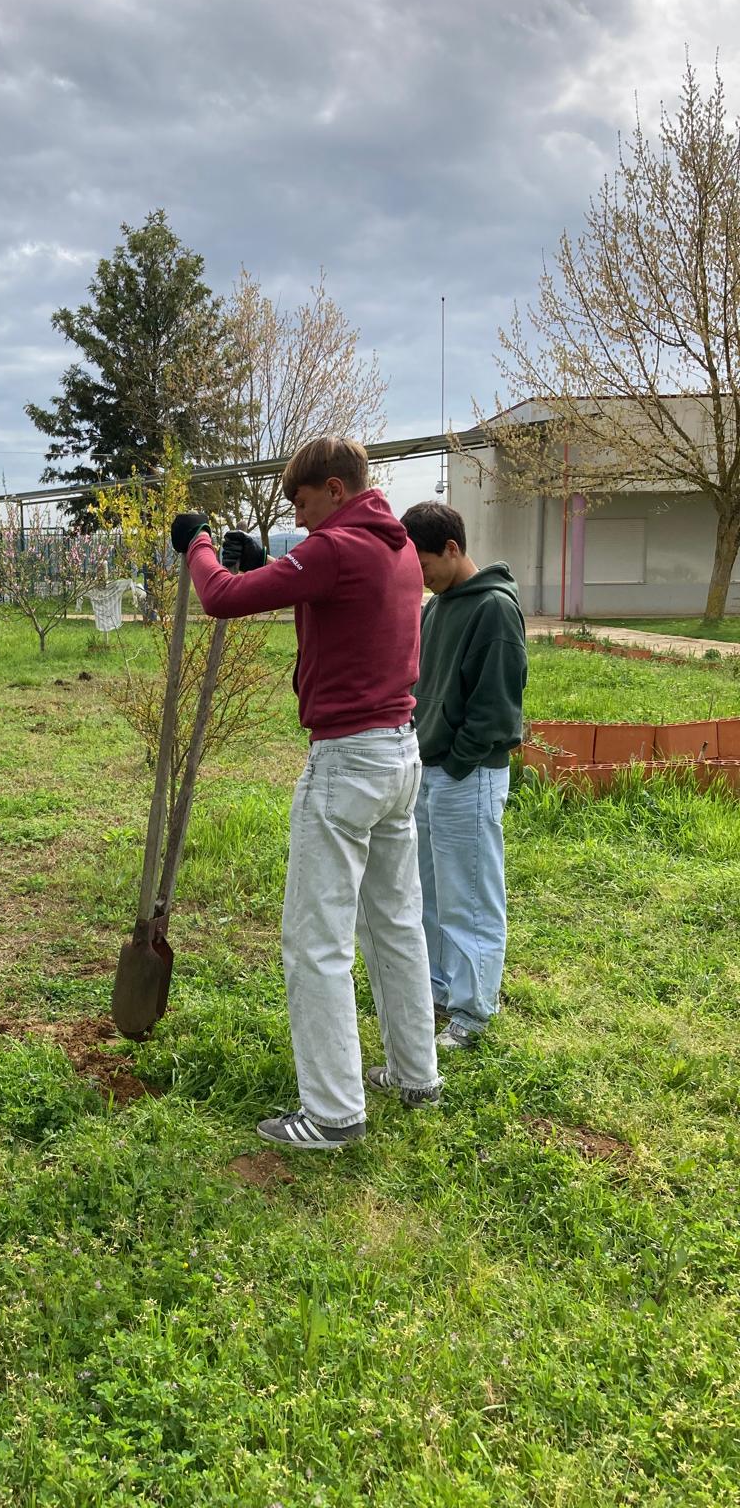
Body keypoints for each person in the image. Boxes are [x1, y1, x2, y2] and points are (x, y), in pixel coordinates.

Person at [170, 436, 441, 1150]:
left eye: (302, 500)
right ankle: (416, 1074)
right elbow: (343, 607)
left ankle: (332, 1113)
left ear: (335, 489)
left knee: (316, 939)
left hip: (346, 761)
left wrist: (198, 543)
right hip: (399, 753)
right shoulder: (397, 547)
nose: (298, 515)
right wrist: (271, 564)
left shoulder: (335, 547)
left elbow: (220, 597)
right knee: (396, 924)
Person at [399, 501, 528, 1049]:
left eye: (424, 565)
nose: (421, 577)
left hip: (468, 775)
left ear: (452, 549)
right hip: (428, 770)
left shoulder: (494, 608)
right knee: (427, 893)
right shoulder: (436, 608)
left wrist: (455, 763)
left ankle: (472, 1014)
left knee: (470, 898)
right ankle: (437, 992)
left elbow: (497, 709)